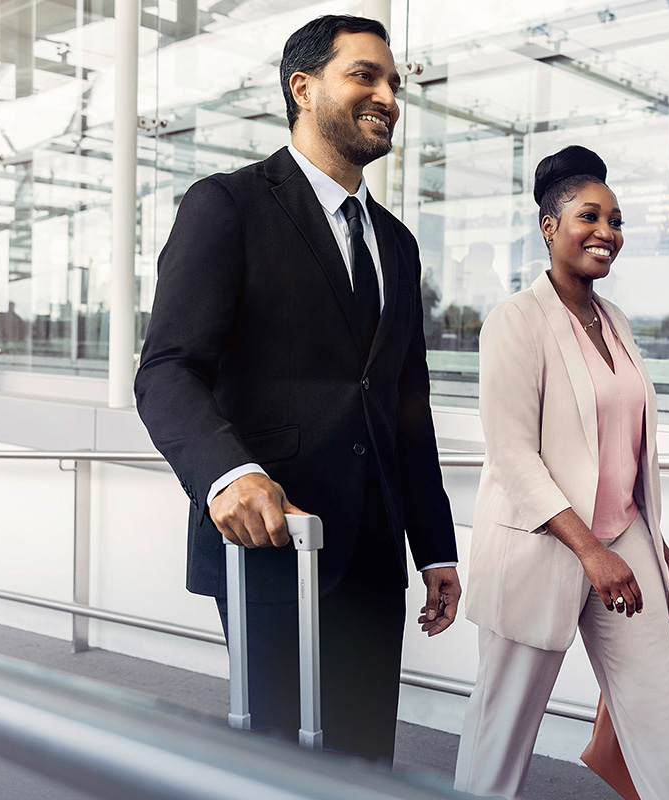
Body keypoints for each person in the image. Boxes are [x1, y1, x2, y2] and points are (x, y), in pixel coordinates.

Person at [134, 14, 460, 764]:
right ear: (302, 88)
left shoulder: (400, 246)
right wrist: (229, 474)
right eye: (365, 75)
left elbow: (407, 406)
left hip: (375, 547)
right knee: (279, 759)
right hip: (275, 534)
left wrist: (434, 545)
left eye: (393, 83)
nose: (387, 95)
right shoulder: (229, 205)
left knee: (364, 758)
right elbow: (167, 370)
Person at [453, 146, 669, 800]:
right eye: (589, 215)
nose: (607, 232)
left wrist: (646, 536)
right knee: (502, 727)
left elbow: (619, 442)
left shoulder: (615, 322)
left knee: (662, 717)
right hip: (542, 545)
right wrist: (591, 550)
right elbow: (513, 455)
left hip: (623, 541)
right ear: (549, 227)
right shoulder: (516, 320)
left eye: (617, 220)